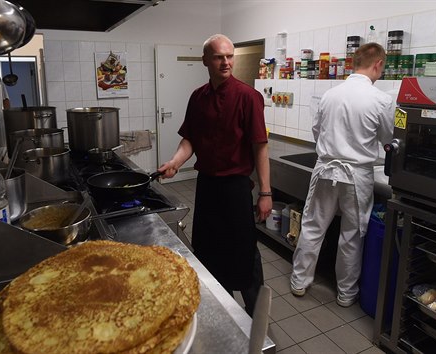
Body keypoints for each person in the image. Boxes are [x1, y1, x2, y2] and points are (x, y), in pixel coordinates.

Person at [157, 34, 272, 316]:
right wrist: (174, 161)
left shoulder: (248, 97)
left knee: (243, 251)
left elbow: (260, 147)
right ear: (205, 60)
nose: (226, 62)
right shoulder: (198, 97)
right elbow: (189, 141)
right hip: (207, 186)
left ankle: (256, 315)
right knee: (209, 249)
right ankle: (223, 307)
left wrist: (266, 193)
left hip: (235, 187)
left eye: (230, 56)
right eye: (219, 57)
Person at [289, 42, 394, 307]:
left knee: (312, 228)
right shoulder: (380, 100)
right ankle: (346, 294)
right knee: (351, 235)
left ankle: (299, 282)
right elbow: (388, 139)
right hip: (357, 175)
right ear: (378, 64)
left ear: (353, 63)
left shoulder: (330, 95)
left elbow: (317, 131)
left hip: (325, 168)